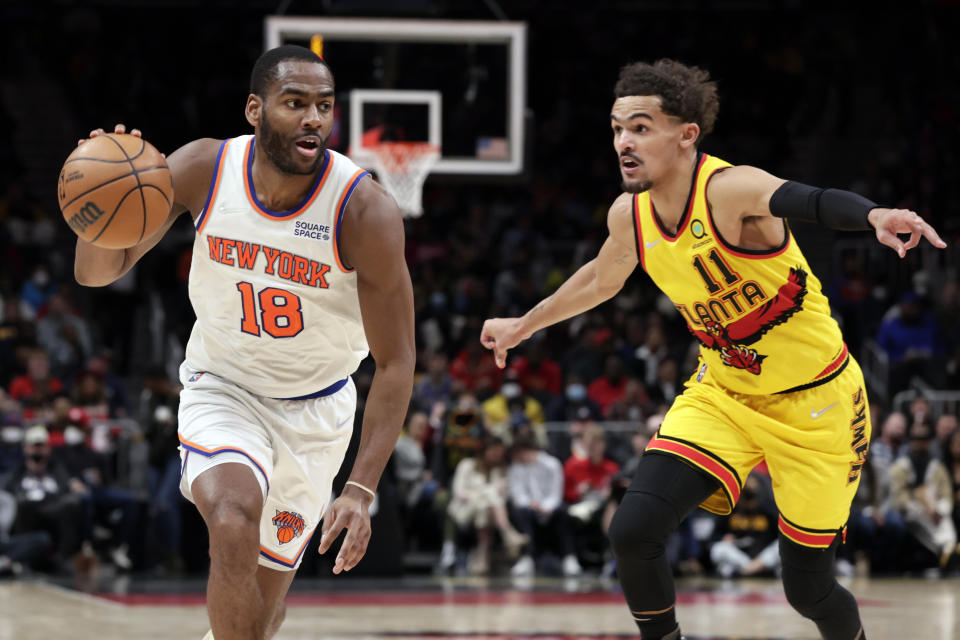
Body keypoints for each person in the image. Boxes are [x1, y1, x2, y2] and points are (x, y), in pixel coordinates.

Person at [481, 59, 945, 640]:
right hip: (724, 394)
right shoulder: (630, 215)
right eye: (618, 127)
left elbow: (814, 200)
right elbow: (600, 279)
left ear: (686, 134)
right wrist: (524, 324)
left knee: (808, 589)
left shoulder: (730, 191)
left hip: (818, 405)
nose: (624, 141)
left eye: (641, 127)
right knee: (633, 530)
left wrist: (874, 214)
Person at [72, 45, 415, 640]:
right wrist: (100, 204)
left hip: (316, 415)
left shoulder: (364, 211)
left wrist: (360, 490)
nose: (313, 118)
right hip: (223, 388)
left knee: (262, 612)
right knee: (232, 521)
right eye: (295, 103)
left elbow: (397, 361)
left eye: (324, 106)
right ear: (255, 109)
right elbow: (97, 272)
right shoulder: (205, 167)